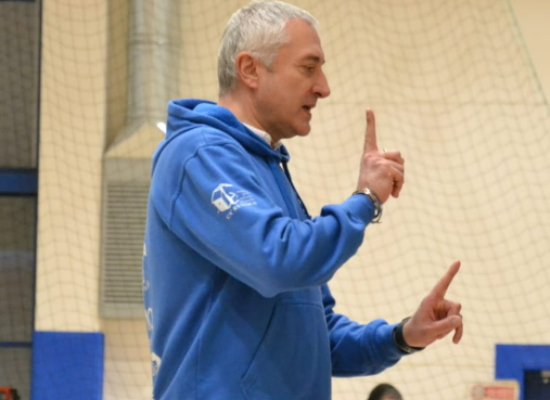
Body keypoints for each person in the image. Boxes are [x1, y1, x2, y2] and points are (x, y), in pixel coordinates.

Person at [142, 1, 463, 399]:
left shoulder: (270, 170)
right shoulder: (198, 154)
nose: (324, 87)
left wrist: (402, 335)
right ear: (250, 70)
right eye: (309, 68)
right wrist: (366, 199)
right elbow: (277, 259)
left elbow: (319, 337)